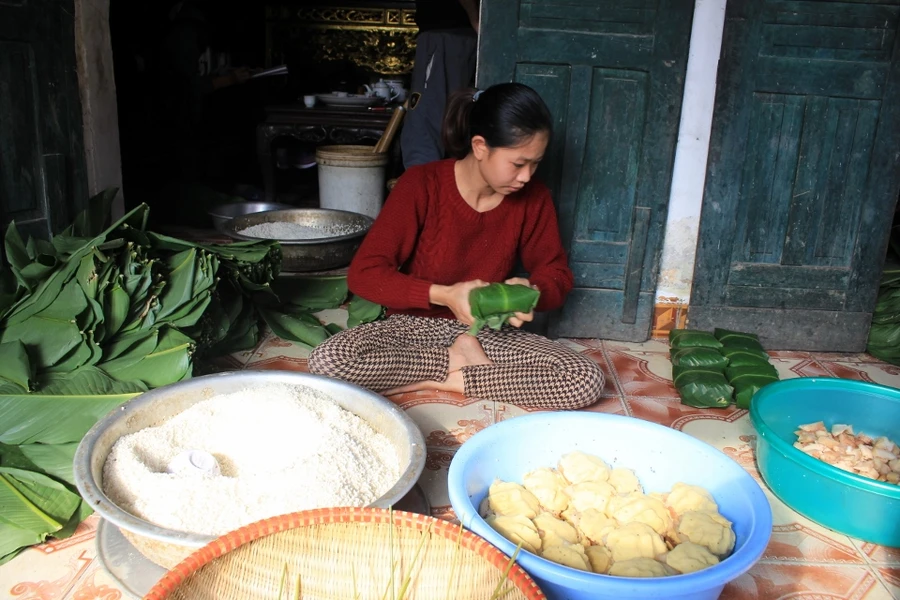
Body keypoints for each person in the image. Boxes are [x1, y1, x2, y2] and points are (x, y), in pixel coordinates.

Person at [308, 83, 605, 410]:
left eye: (535, 164)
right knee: (330, 361)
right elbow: (364, 275)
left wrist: (533, 289)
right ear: (480, 146)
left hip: (488, 332)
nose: (526, 176)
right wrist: (446, 294)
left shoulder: (534, 199)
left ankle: (443, 380)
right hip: (411, 329)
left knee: (582, 378)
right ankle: (456, 364)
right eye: (518, 164)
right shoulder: (421, 185)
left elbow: (557, 274)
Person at [400, 0, 479, 169]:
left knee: (425, 124)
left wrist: (476, 18)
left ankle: (422, 189)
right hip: (455, 32)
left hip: (448, 32)